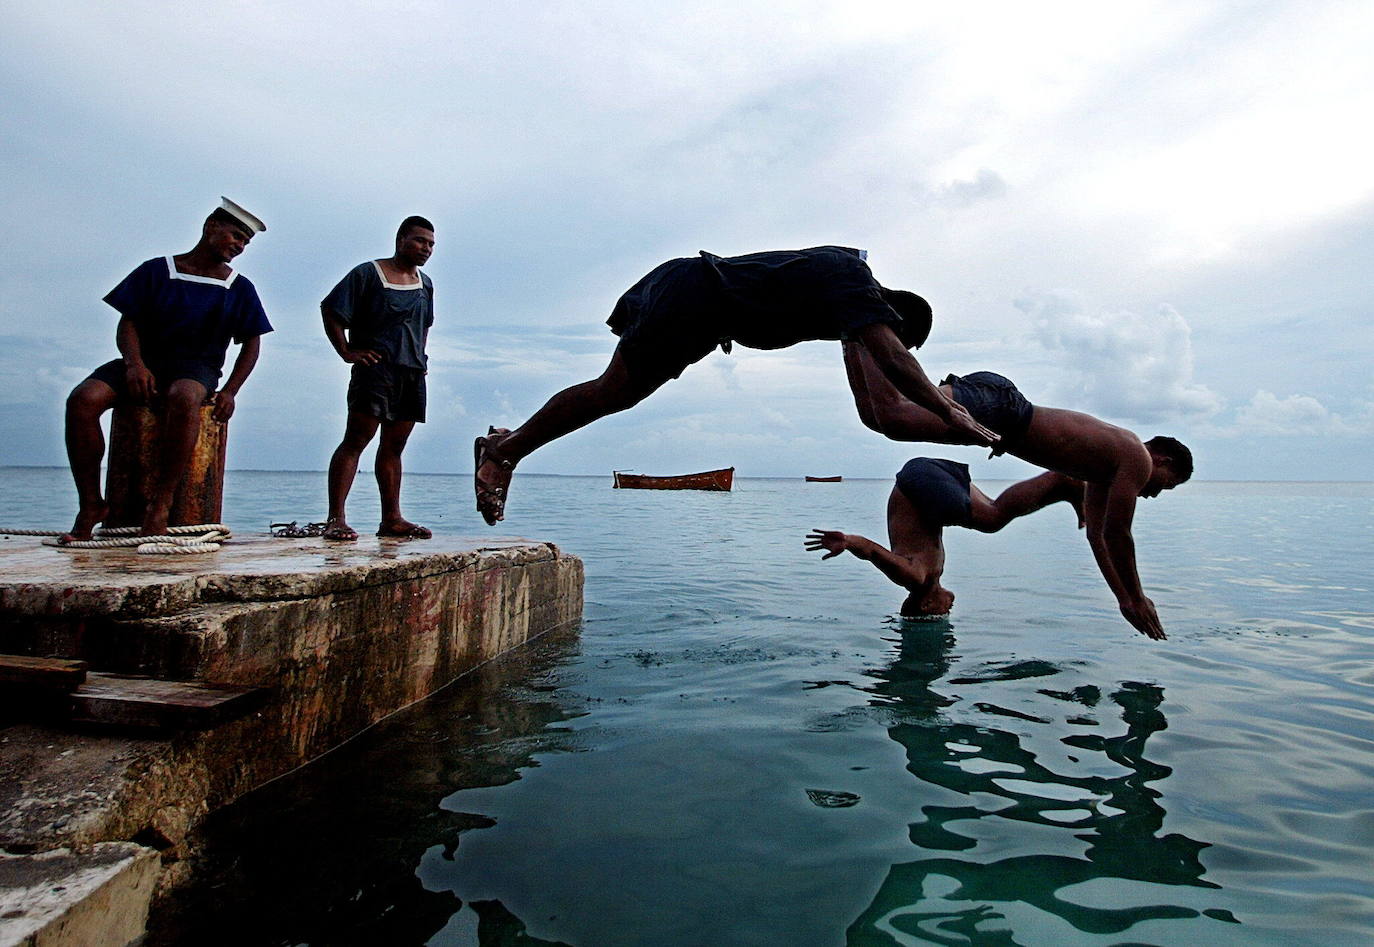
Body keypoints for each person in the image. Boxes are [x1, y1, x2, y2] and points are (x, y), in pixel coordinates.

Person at [473, 246, 999, 524]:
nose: (885, 348)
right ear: (892, 316)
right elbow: (892, 360)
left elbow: (877, 399)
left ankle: (507, 443)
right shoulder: (855, 284)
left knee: (613, 394)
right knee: (613, 393)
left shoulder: (846, 297)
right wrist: (951, 412)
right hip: (691, 297)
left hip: (700, 310)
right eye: (897, 339)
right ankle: (505, 450)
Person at [832, 356, 1196, 637]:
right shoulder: (1135, 457)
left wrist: (1123, 598)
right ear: (1162, 460)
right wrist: (1136, 596)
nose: (1154, 494)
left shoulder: (1105, 470)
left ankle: (856, 338)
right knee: (894, 416)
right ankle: (873, 326)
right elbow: (1120, 536)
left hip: (1000, 415)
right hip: (1002, 409)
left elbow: (1100, 538)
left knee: (881, 418)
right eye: (1166, 484)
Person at [805, 449, 1188, 637]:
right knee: (993, 512)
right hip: (929, 477)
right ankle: (1064, 485)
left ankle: (1064, 481)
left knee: (990, 520)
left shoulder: (916, 578)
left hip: (917, 480)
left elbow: (874, 553)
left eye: (941, 613)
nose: (949, 608)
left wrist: (848, 540)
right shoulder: (928, 571)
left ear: (926, 604)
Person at [62, 198, 271, 541]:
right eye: (235, 235)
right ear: (210, 227)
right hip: (144, 361)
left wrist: (231, 390)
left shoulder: (238, 287)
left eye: (246, 242)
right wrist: (134, 364)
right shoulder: (157, 270)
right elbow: (127, 323)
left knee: (185, 396)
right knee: (83, 399)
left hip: (196, 367)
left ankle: (161, 503)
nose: (240, 245)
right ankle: (91, 504)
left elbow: (252, 343)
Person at [321, 216, 437, 540]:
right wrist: (346, 351)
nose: (426, 248)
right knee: (356, 440)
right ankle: (336, 518)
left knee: (394, 448)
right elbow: (330, 310)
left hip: (411, 373)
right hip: (375, 370)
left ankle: (392, 519)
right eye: (419, 241)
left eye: (430, 244)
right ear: (401, 240)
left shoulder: (425, 284)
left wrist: (421, 357)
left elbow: (424, 324)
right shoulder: (368, 274)